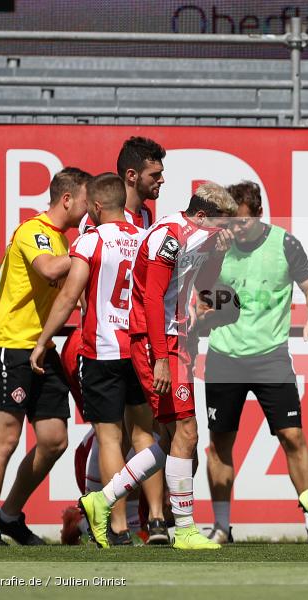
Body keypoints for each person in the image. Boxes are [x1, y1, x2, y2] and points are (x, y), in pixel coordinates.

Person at [30, 173, 167, 547]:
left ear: (95, 206)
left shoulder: (90, 241)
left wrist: (43, 341)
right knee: (145, 436)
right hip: (138, 349)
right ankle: (156, 520)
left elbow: (69, 294)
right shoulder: (145, 241)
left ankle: (118, 527)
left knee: (110, 438)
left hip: (101, 350)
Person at [112, 181, 236, 550]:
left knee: (172, 440)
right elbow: (151, 298)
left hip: (178, 340)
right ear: (200, 216)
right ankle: (182, 528)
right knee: (186, 435)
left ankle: (102, 499)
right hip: (157, 342)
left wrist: (218, 255)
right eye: (220, 223)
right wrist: (161, 358)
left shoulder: (202, 238)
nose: (224, 231)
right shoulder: (169, 235)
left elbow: (206, 285)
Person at [203, 181, 308, 545]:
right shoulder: (216, 245)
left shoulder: (285, 243)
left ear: (258, 215)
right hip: (224, 356)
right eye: (230, 223)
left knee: (293, 437)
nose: (235, 229)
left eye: (241, 222)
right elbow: (197, 290)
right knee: (220, 441)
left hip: (271, 357)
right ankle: (222, 527)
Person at [0, 167, 92, 546]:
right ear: (67, 200)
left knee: (54, 439)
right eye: (86, 199)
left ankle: (9, 515)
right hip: (11, 347)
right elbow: (47, 270)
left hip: (41, 349)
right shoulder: (35, 232)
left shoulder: (62, 240)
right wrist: (88, 247)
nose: (91, 208)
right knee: (5, 440)